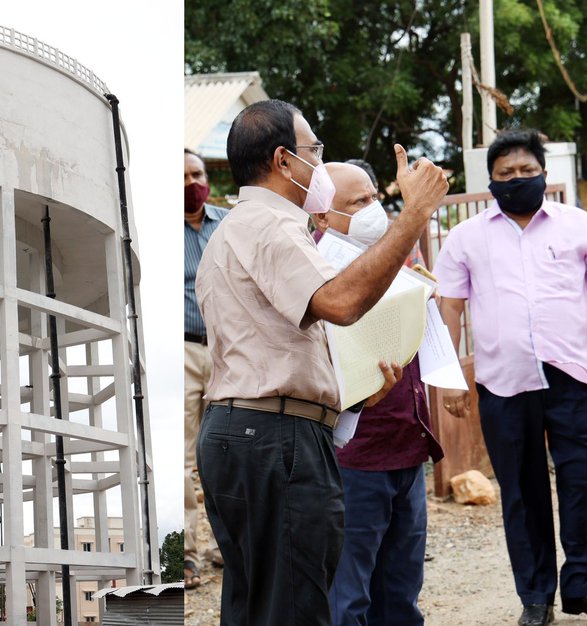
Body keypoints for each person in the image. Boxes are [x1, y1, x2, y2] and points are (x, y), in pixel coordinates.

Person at [195, 98, 447, 625]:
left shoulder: (235, 229)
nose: (321, 160)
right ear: (285, 160)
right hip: (274, 438)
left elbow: (274, 344)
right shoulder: (271, 223)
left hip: (246, 431)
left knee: (260, 604)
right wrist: (413, 215)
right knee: (295, 605)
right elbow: (339, 302)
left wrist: (351, 391)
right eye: (315, 149)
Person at [435, 129, 587, 626]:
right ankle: (536, 596)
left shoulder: (578, 225)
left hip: (573, 376)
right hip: (504, 382)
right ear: (491, 180)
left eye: (526, 171)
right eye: (505, 174)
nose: (517, 180)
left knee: (584, 482)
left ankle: (584, 584)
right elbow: (450, 306)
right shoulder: (466, 237)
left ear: (544, 173)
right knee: (522, 491)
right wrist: (451, 375)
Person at [314, 162, 444, 626]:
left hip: (407, 444)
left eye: (375, 198)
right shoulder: (319, 273)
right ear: (322, 217)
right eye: (358, 203)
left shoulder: (394, 258)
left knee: (402, 591)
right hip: (355, 457)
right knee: (350, 596)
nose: (374, 210)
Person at [182, 148, 227, 589]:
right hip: (184, 351)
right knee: (184, 461)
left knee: (228, 453)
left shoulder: (227, 224)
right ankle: (187, 557)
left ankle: (227, 546)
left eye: (197, 174)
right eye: (182, 176)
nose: (192, 183)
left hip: (228, 350)